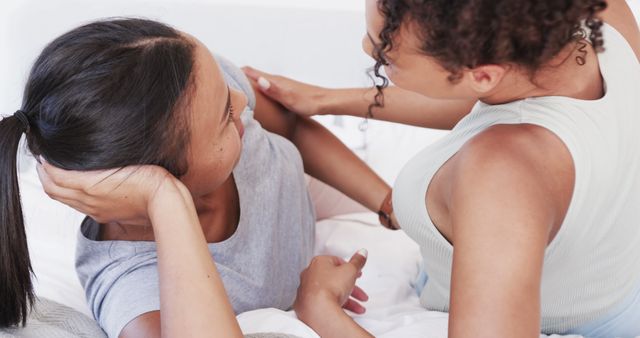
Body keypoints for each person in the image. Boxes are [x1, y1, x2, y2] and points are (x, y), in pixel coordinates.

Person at [242, 0, 640, 337]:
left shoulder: (501, 176)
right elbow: (501, 101)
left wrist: (322, 311)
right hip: (614, 276)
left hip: (576, 322)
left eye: (385, 53)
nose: (367, 47)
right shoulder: (586, 18)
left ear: (482, 73)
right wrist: (327, 99)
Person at [0, 18, 389, 338]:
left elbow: (292, 128)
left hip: (299, 184)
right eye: (225, 114)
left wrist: (388, 204)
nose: (242, 100)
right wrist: (165, 199)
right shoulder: (131, 284)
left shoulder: (199, 86)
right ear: (166, 176)